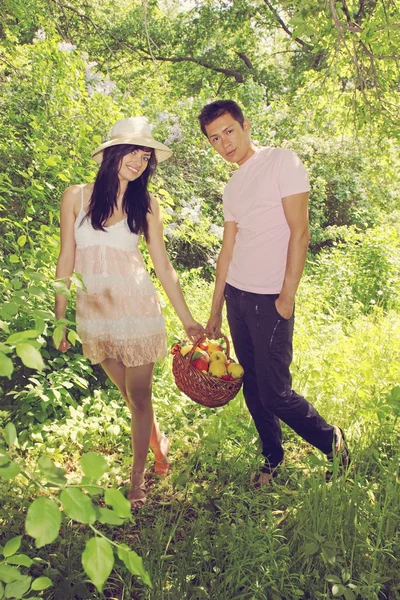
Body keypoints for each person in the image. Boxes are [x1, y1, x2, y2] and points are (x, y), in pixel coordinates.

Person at [198, 100, 350, 484]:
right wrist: (215, 311)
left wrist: (287, 296)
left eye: (229, 131)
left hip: (271, 299)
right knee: (252, 387)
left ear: (245, 124)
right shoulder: (232, 186)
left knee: (275, 393)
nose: (224, 143)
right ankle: (271, 456)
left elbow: (300, 231)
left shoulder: (283, 162)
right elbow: (227, 251)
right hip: (238, 296)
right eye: (215, 138)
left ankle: (333, 441)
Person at [55, 116, 203, 506]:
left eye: (144, 156)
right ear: (111, 154)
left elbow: (164, 266)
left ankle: (137, 478)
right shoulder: (75, 196)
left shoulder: (146, 203)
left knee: (139, 396)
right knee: (127, 393)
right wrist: (60, 317)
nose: (138, 162)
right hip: (94, 313)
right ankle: (160, 441)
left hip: (137, 310)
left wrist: (187, 319)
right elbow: (65, 259)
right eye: (131, 153)